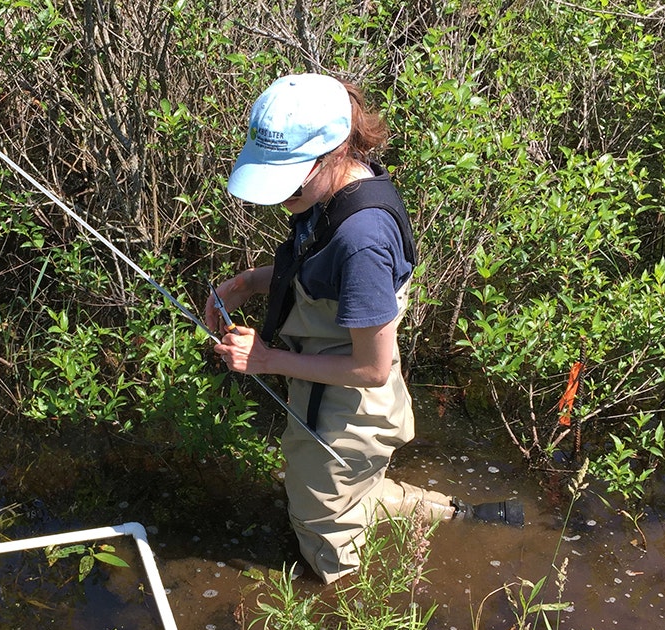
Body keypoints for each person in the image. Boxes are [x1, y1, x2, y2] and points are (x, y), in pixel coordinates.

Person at [207, 73, 522, 584]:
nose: (281, 194)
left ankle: (349, 611)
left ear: (333, 152)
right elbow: (319, 276)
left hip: (347, 405)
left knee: (320, 520)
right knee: (354, 491)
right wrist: (247, 282)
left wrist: (265, 360)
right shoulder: (334, 193)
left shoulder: (362, 238)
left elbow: (371, 369)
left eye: (289, 178)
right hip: (336, 397)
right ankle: (466, 517)